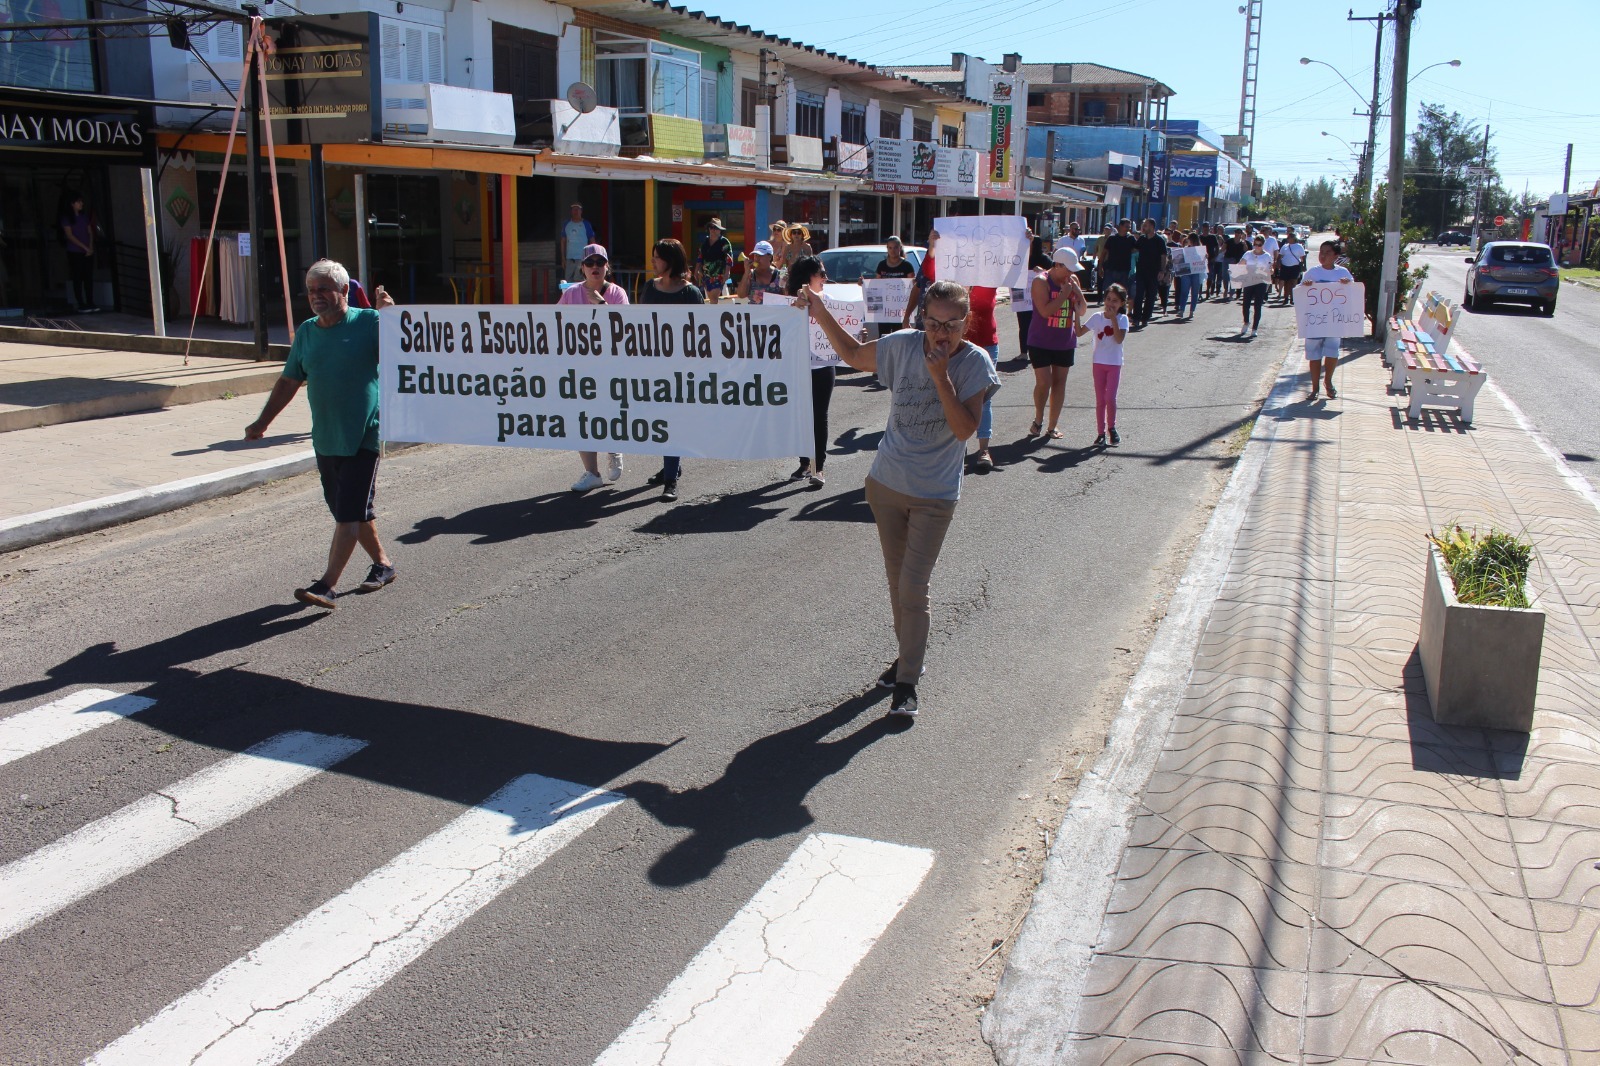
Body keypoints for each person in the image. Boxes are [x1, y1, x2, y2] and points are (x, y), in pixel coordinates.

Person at [799, 278, 1000, 718]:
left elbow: (965, 430)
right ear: (920, 319)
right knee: (898, 585)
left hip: (935, 494)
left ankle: (907, 679)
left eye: (951, 324)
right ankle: (907, 656)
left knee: (914, 586)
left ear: (968, 323)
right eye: (932, 323)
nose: (940, 334)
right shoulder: (903, 345)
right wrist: (818, 309)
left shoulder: (975, 363)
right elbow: (852, 355)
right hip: (886, 484)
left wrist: (939, 375)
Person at [245, 259, 396, 609]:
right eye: (312, 290)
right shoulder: (308, 333)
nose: (316, 296)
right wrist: (262, 422)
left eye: (324, 289)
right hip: (326, 438)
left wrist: (393, 317)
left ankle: (326, 585)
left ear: (344, 290)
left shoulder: (370, 322)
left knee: (348, 514)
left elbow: (410, 352)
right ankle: (384, 565)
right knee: (354, 512)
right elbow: (288, 381)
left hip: (363, 436)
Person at [560, 244, 630, 493]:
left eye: (600, 263)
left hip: (610, 367)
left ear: (607, 267)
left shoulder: (618, 293)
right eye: (590, 263)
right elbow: (555, 324)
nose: (595, 267)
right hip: (579, 368)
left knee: (609, 413)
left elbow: (625, 329)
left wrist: (601, 305)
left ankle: (614, 447)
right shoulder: (570, 294)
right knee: (582, 418)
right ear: (582, 268)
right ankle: (592, 472)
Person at [640, 238, 705, 501]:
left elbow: (701, 333)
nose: (653, 262)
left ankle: (670, 480)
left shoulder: (690, 293)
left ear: (671, 260)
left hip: (680, 369)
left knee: (673, 421)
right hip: (653, 366)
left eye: (657, 257)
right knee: (658, 421)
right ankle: (672, 465)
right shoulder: (649, 288)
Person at [1027, 245, 1086, 440]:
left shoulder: (1072, 280)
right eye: (1068, 269)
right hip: (1040, 340)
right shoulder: (1040, 281)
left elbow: (1082, 309)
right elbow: (1045, 311)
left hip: (1064, 340)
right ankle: (1038, 418)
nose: (1071, 273)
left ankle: (1052, 426)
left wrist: (1077, 291)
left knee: (1060, 384)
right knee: (1044, 382)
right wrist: (1063, 294)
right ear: (1057, 265)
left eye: (1072, 270)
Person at [787, 255, 836, 488]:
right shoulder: (790, 302)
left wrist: (859, 334)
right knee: (799, 416)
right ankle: (804, 463)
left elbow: (845, 329)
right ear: (808, 278)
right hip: (797, 366)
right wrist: (795, 308)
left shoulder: (832, 300)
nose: (826, 278)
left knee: (819, 416)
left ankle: (819, 468)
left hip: (823, 366)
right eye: (821, 274)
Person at [1299, 239, 1354, 400]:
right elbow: (1300, 294)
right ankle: (1315, 388)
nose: (1323, 256)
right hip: (1315, 321)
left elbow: (1353, 294)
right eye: (1321, 252)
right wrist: (1306, 287)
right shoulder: (1312, 273)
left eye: (1327, 253)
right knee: (1314, 354)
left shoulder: (1343, 273)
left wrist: (1347, 285)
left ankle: (1328, 382)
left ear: (1336, 255)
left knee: (1332, 352)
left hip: (1334, 321)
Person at [1078, 282, 1129, 448]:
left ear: (1122, 303)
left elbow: (1119, 339)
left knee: (1110, 398)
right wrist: (1075, 313)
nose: (1110, 303)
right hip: (1098, 363)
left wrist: (1113, 319)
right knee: (1100, 399)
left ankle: (1111, 428)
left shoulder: (1123, 319)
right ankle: (1100, 433)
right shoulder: (1097, 317)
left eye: (1115, 300)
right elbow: (1079, 332)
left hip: (1114, 363)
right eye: (1108, 299)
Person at [963, 284, 999, 471]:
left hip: (986, 343)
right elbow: (930, 267)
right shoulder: (955, 278)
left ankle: (984, 449)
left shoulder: (989, 278)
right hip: (959, 343)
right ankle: (959, 446)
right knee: (957, 397)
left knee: (984, 399)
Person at [1012, 234, 1054, 352]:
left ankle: (1040, 349)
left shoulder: (1044, 260)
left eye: (1031, 244)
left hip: (1039, 299)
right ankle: (1024, 351)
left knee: (1040, 324)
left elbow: (1054, 275)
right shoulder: (1019, 260)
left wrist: (1043, 272)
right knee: (1023, 325)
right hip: (1023, 300)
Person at [60, 193, 96, 311]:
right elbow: (69, 236)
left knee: (88, 277)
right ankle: (81, 303)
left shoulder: (84, 216)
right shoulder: (66, 218)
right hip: (75, 252)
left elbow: (89, 232)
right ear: (72, 204)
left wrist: (90, 246)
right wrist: (84, 248)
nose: (81, 204)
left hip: (87, 251)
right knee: (78, 277)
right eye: (78, 202)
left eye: (81, 201)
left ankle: (90, 302)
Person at [1132, 219, 1167, 329]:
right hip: (1141, 271)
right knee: (1138, 295)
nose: (1143, 228)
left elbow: (1163, 256)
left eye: (1145, 226)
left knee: (1150, 296)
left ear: (1152, 227)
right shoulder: (1142, 239)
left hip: (1154, 272)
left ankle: (1145, 318)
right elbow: (1134, 249)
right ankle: (1136, 318)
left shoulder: (1159, 240)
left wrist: (1162, 271)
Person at [1238, 233, 1274, 337]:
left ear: (1263, 245)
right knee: (1246, 303)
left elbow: (1271, 268)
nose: (1257, 247)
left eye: (1259, 245)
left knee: (1257, 305)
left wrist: (1270, 271)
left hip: (1260, 281)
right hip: (1249, 280)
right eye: (1255, 244)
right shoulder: (1248, 254)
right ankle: (1246, 322)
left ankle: (1254, 328)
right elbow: (1241, 263)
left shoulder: (1267, 256)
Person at [901, 229, 938, 329]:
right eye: (932, 238)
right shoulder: (927, 262)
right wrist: (906, 316)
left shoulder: (955, 264)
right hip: (923, 323)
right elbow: (918, 288)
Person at [1100, 219, 1136, 314]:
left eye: (1129, 227)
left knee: (1122, 293)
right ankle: (1108, 311)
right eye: (1126, 226)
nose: (1128, 228)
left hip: (1124, 271)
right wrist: (1100, 267)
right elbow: (1103, 253)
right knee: (1108, 291)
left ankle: (1121, 313)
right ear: (1120, 226)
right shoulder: (1112, 239)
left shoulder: (1131, 239)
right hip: (1110, 270)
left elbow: (1137, 251)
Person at [696, 217, 734, 300]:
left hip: (719, 274)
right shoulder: (705, 242)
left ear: (720, 230)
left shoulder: (724, 242)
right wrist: (697, 270)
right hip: (706, 275)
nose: (713, 230)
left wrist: (727, 272)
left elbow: (729, 258)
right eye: (711, 227)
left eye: (716, 228)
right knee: (709, 298)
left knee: (714, 297)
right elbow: (700, 256)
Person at [559, 203, 595, 282]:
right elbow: (563, 241)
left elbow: (592, 241)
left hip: (582, 258)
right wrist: (563, 258)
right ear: (571, 211)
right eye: (573, 209)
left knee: (578, 281)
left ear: (581, 211)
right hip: (569, 259)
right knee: (568, 281)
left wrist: (592, 257)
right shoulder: (566, 224)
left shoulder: (586, 224)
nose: (575, 211)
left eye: (577, 209)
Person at [1174, 232, 1206, 321]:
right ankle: (1182, 309)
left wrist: (1205, 257)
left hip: (1196, 272)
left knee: (1194, 292)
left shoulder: (1200, 249)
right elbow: (1180, 259)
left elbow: (1203, 261)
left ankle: (1192, 310)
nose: (1191, 242)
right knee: (1184, 291)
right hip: (1187, 272)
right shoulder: (1186, 249)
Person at [1276, 231, 1306, 305]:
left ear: (1293, 238)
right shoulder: (1285, 246)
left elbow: (1303, 257)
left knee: (1293, 283)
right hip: (1285, 267)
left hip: (1295, 267)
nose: (1288, 239)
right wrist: (1278, 264)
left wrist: (1304, 266)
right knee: (1286, 283)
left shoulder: (1299, 246)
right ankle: (1286, 298)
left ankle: (1292, 298)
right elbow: (1280, 256)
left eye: (1289, 237)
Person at [1223, 227, 1247, 301]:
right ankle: (1226, 289)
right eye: (1236, 232)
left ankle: (1231, 294)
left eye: (1239, 233)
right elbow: (1223, 248)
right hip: (1227, 259)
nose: (1237, 234)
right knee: (1225, 276)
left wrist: (1244, 243)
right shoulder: (1229, 241)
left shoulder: (1242, 243)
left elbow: (1246, 250)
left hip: (1236, 261)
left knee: (1234, 278)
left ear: (1241, 234)